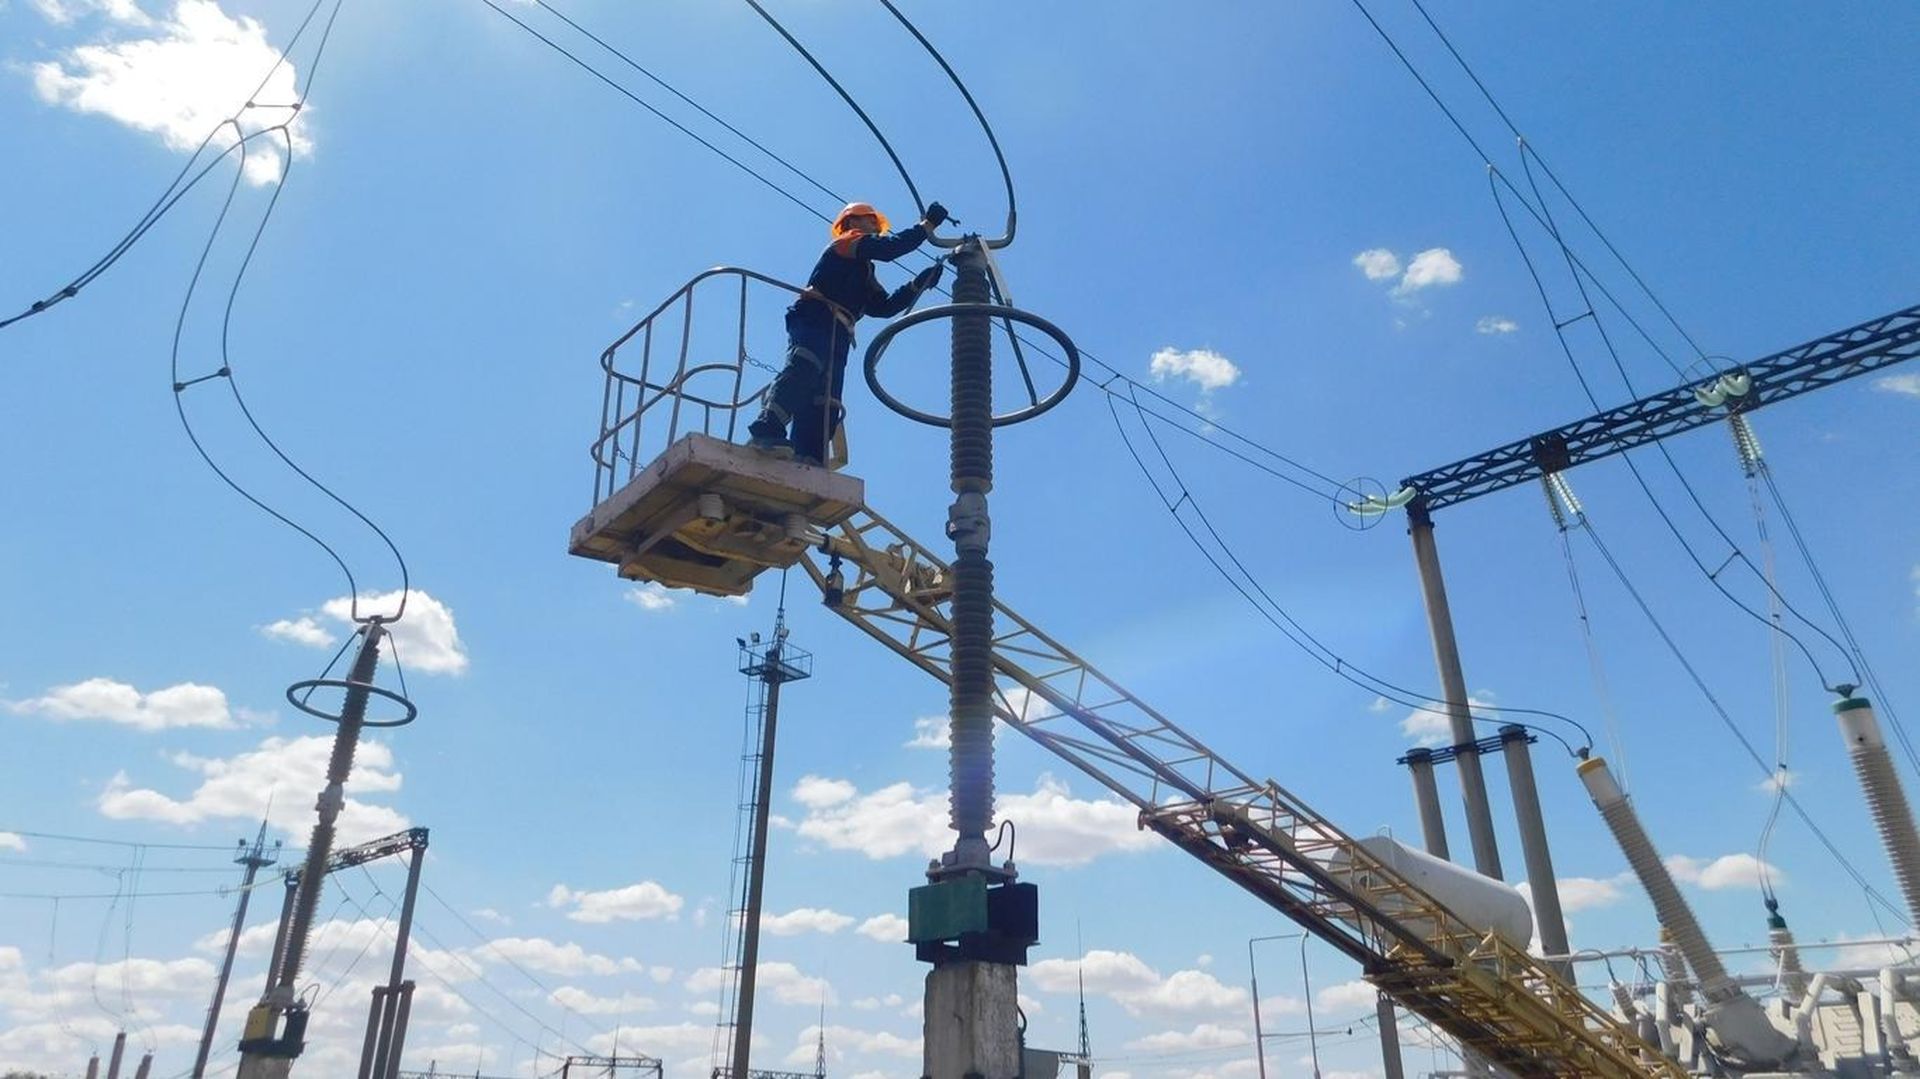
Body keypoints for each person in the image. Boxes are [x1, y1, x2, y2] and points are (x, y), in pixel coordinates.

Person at [747, 199, 949, 465]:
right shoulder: (845, 244)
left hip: (839, 332)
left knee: (826, 399)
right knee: (805, 366)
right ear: (852, 222)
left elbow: (883, 307)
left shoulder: (864, 270)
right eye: (871, 221)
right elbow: (890, 249)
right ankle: (766, 429)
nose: (876, 227)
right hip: (816, 316)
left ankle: (808, 456)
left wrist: (917, 284)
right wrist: (926, 226)